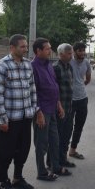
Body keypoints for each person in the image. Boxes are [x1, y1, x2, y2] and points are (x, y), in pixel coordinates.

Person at [0, 34, 37, 189]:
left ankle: (17, 178)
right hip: (10, 118)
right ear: (12, 48)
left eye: (26, 46)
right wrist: (1, 118)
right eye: (22, 47)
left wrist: (33, 109)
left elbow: (32, 88)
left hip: (26, 116)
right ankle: (3, 182)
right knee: (5, 151)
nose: (26, 49)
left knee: (23, 149)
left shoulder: (27, 64)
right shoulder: (2, 65)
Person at [31, 38, 70, 180]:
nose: (50, 51)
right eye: (47, 49)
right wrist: (38, 112)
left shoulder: (48, 65)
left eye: (50, 48)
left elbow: (54, 86)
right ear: (38, 51)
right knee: (41, 144)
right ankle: (41, 172)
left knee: (55, 140)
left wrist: (58, 104)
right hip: (42, 111)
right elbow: (32, 92)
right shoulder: (33, 67)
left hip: (53, 108)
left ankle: (56, 167)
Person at [68, 42, 92, 160]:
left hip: (83, 99)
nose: (82, 53)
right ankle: (62, 152)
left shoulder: (87, 63)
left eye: (84, 50)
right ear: (74, 51)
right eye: (80, 51)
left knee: (79, 126)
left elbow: (88, 79)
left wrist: (80, 86)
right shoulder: (69, 62)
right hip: (70, 100)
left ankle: (73, 150)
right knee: (67, 126)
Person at [53, 43, 76, 168]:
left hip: (69, 108)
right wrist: (59, 106)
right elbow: (54, 90)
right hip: (59, 109)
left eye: (71, 53)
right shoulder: (56, 68)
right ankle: (52, 163)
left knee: (66, 136)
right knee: (57, 137)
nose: (71, 55)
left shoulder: (69, 67)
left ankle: (63, 159)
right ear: (61, 54)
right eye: (69, 53)